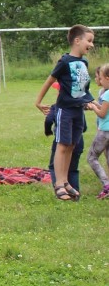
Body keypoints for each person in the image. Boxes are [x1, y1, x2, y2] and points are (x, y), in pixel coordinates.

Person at [35, 24, 94, 201]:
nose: (91, 45)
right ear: (77, 40)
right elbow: (49, 81)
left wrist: (89, 103)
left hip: (77, 111)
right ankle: (59, 184)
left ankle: (66, 181)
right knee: (62, 145)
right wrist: (38, 102)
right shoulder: (64, 62)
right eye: (89, 41)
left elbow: (82, 89)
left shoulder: (84, 62)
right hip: (65, 111)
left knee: (71, 145)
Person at [86, 64, 109, 199]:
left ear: (107, 78)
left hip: (104, 133)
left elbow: (101, 114)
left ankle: (106, 185)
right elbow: (105, 109)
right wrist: (95, 104)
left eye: (100, 78)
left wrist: (93, 108)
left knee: (91, 158)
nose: (99, 80)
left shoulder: (106, 94)